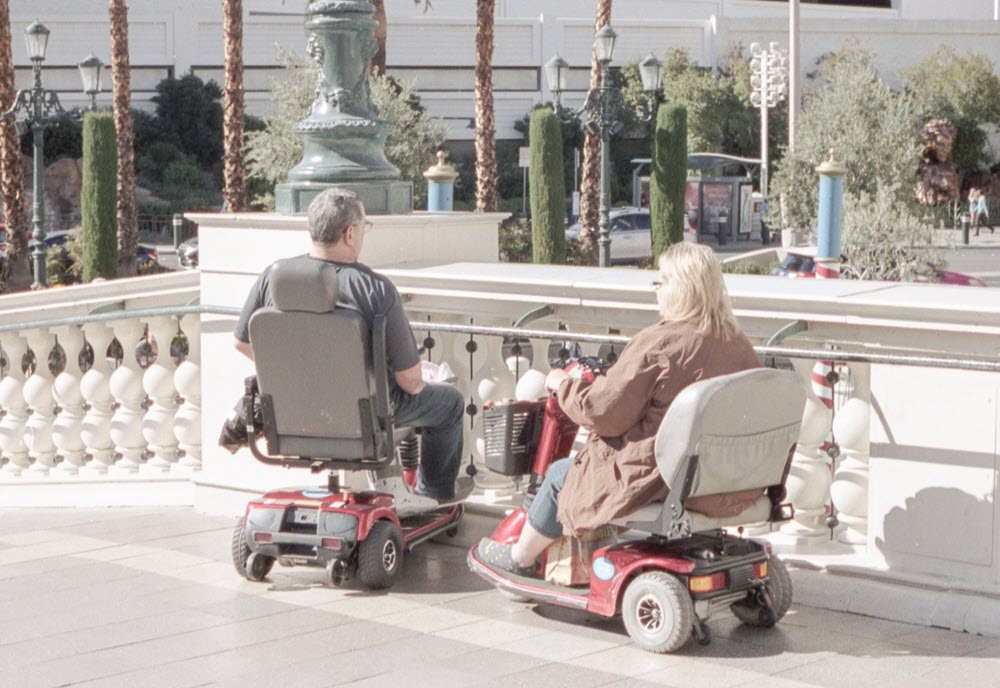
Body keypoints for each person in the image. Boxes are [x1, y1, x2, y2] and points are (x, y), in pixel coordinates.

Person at [477, 242, 761, 576]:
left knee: (558, 476)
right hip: (725, 477)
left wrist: (561, 384)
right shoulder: (738, 343)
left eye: (663, 280)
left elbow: (604, 414)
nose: (657, 288)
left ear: (683, 289)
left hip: (662, 476)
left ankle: (520, 560)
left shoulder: (662, 344)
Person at [233, 188, 466, 501]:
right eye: (364, 227)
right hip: (366, 413)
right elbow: (410, 381)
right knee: (449, 402)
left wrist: (298, 376)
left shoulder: (273, 278)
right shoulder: (376, 290)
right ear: (350, 233)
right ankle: (437, 494)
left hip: (295, 409)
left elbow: (242, 343)